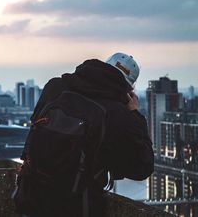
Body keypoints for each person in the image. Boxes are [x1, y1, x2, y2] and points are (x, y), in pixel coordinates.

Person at [20, 53, 154, 216]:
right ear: (129, 90)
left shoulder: (55, 87)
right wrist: (134, 115)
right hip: (75, 207)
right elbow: (142, 168)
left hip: (30, 197)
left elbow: (35, 124)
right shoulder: (117, 113)